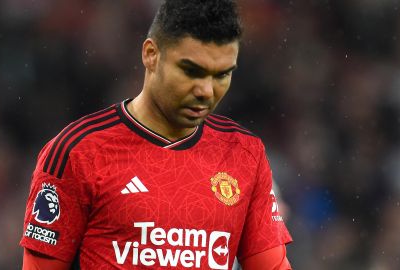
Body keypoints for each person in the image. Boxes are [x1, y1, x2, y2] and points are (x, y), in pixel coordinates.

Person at [20, 0, 292, 269]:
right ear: (151, 54)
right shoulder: (78, 152)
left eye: (221, 75)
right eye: (191, 71)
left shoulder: (244, 153)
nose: (206, 91)